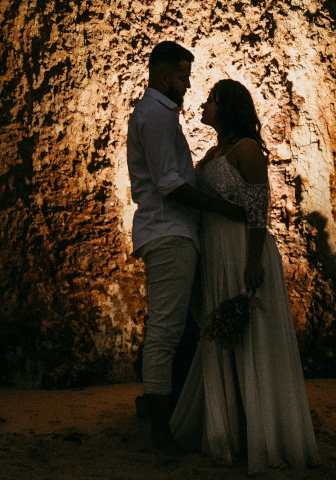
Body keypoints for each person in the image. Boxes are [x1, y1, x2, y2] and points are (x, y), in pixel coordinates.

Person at [170, 79, 319, 472]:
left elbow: (258, 210)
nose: (204, 104)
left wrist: (253, 261)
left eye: (212, 100)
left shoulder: (248, 150)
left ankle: (263, 434)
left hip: (242, 251)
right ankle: (229, 432)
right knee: (221, 337)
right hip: (217, 253)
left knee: (252, 337)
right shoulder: (215, 151)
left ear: (228, 106)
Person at [126, 41, 244, 453]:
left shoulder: (159, 115)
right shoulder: (156, 116)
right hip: (169, 233)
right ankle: (161, 432)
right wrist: (224, 209)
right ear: (160, 75)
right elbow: (170, 185)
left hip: (175, 234)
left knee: (192, 324)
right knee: (165, 333)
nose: (188, 85)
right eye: (181, 76)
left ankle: (186, 413)